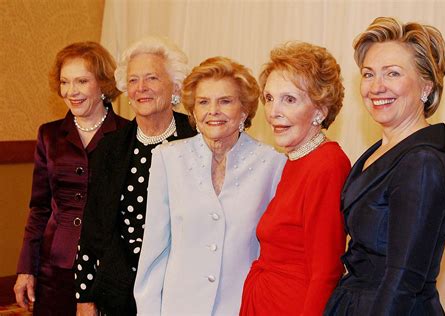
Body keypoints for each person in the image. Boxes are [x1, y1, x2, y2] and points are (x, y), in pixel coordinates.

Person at [324, 17, 445, 316]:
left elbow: (404, 280)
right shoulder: (380, 152)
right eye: (368, 74)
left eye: (393, 73)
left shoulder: (422, 163)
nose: (376, 87)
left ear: (426, 86)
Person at [134, 56, 286, 315]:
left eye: (225, 101)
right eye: (204, 102)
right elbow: (154, 251)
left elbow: (272, 252)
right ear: (193, 111)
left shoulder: (272, 164)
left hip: (242, 306)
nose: (213, 110)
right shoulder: (167, 159)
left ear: (245, 109)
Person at [74, 37, 196, 315]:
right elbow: (92, 227)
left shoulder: (197, 142)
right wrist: (84, 296)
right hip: (120, 289)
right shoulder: (110, 147)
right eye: (133, 81)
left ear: (175, 85)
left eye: (152, 78)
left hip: (180, 289)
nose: (141, 88)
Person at [13, 42, 129, 315]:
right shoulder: (49, 135)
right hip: (55, 268)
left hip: (110, 269)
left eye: (81, 81)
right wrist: (26, 268)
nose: (71, 91)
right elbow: (39, 208)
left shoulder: (127, 135)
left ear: (102, 84)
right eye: (65, 82)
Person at [240, 41, 351, 316]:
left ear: (320, 111)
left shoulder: (327, 165)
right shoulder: (295, 159)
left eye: (289, 99)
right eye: (269, 98)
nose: (273, 111)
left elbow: (326, 271)